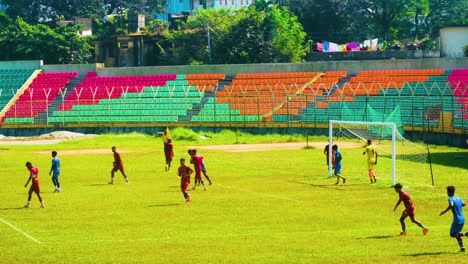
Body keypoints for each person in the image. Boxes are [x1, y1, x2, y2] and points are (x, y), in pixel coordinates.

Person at [440, 186, 467, 252]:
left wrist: (444, 211)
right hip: (462, 218)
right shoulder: (458, 198)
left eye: (447, 191)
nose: (447, 193)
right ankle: (462, 247)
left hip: (457, 219)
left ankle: (465, 234)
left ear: (449, 192)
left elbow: (451, 205)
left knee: (452, 234)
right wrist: (458, 206)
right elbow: (464, 204)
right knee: (457, 234)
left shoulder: (451, 199)